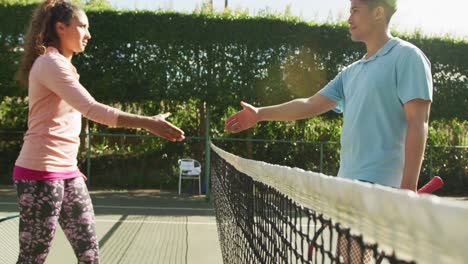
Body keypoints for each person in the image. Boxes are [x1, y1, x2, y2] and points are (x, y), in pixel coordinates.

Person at [225, 0, 432, 263]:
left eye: (356, 10)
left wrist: (408, 188)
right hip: (347, 183)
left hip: (382, 186)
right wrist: (260, 114)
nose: (349, 18)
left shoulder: (407, 57)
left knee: (353, 259)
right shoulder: (351, 73)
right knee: (346, 258)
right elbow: (310, 104)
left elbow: (418, 123)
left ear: (379, 12)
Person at [13, 1, 185, 263]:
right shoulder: (50, 64)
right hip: (40, 173)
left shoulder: (64, 66)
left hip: (69, 172)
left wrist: (149, 121)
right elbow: (92, 109)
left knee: (90, 254)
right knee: (33, 258)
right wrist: (148, 122)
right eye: (82, 26)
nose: (88, 34)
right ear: (60, 28)